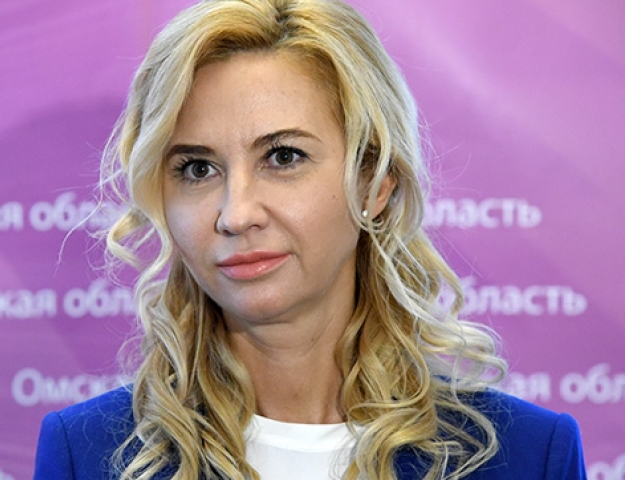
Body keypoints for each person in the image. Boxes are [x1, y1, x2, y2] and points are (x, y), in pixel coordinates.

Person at [33, 0, 587, 478]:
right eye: (197, 169)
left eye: (283, 157)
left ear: (374, 183)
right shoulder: (87, 453)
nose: (236, 214)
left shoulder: (528, 455)